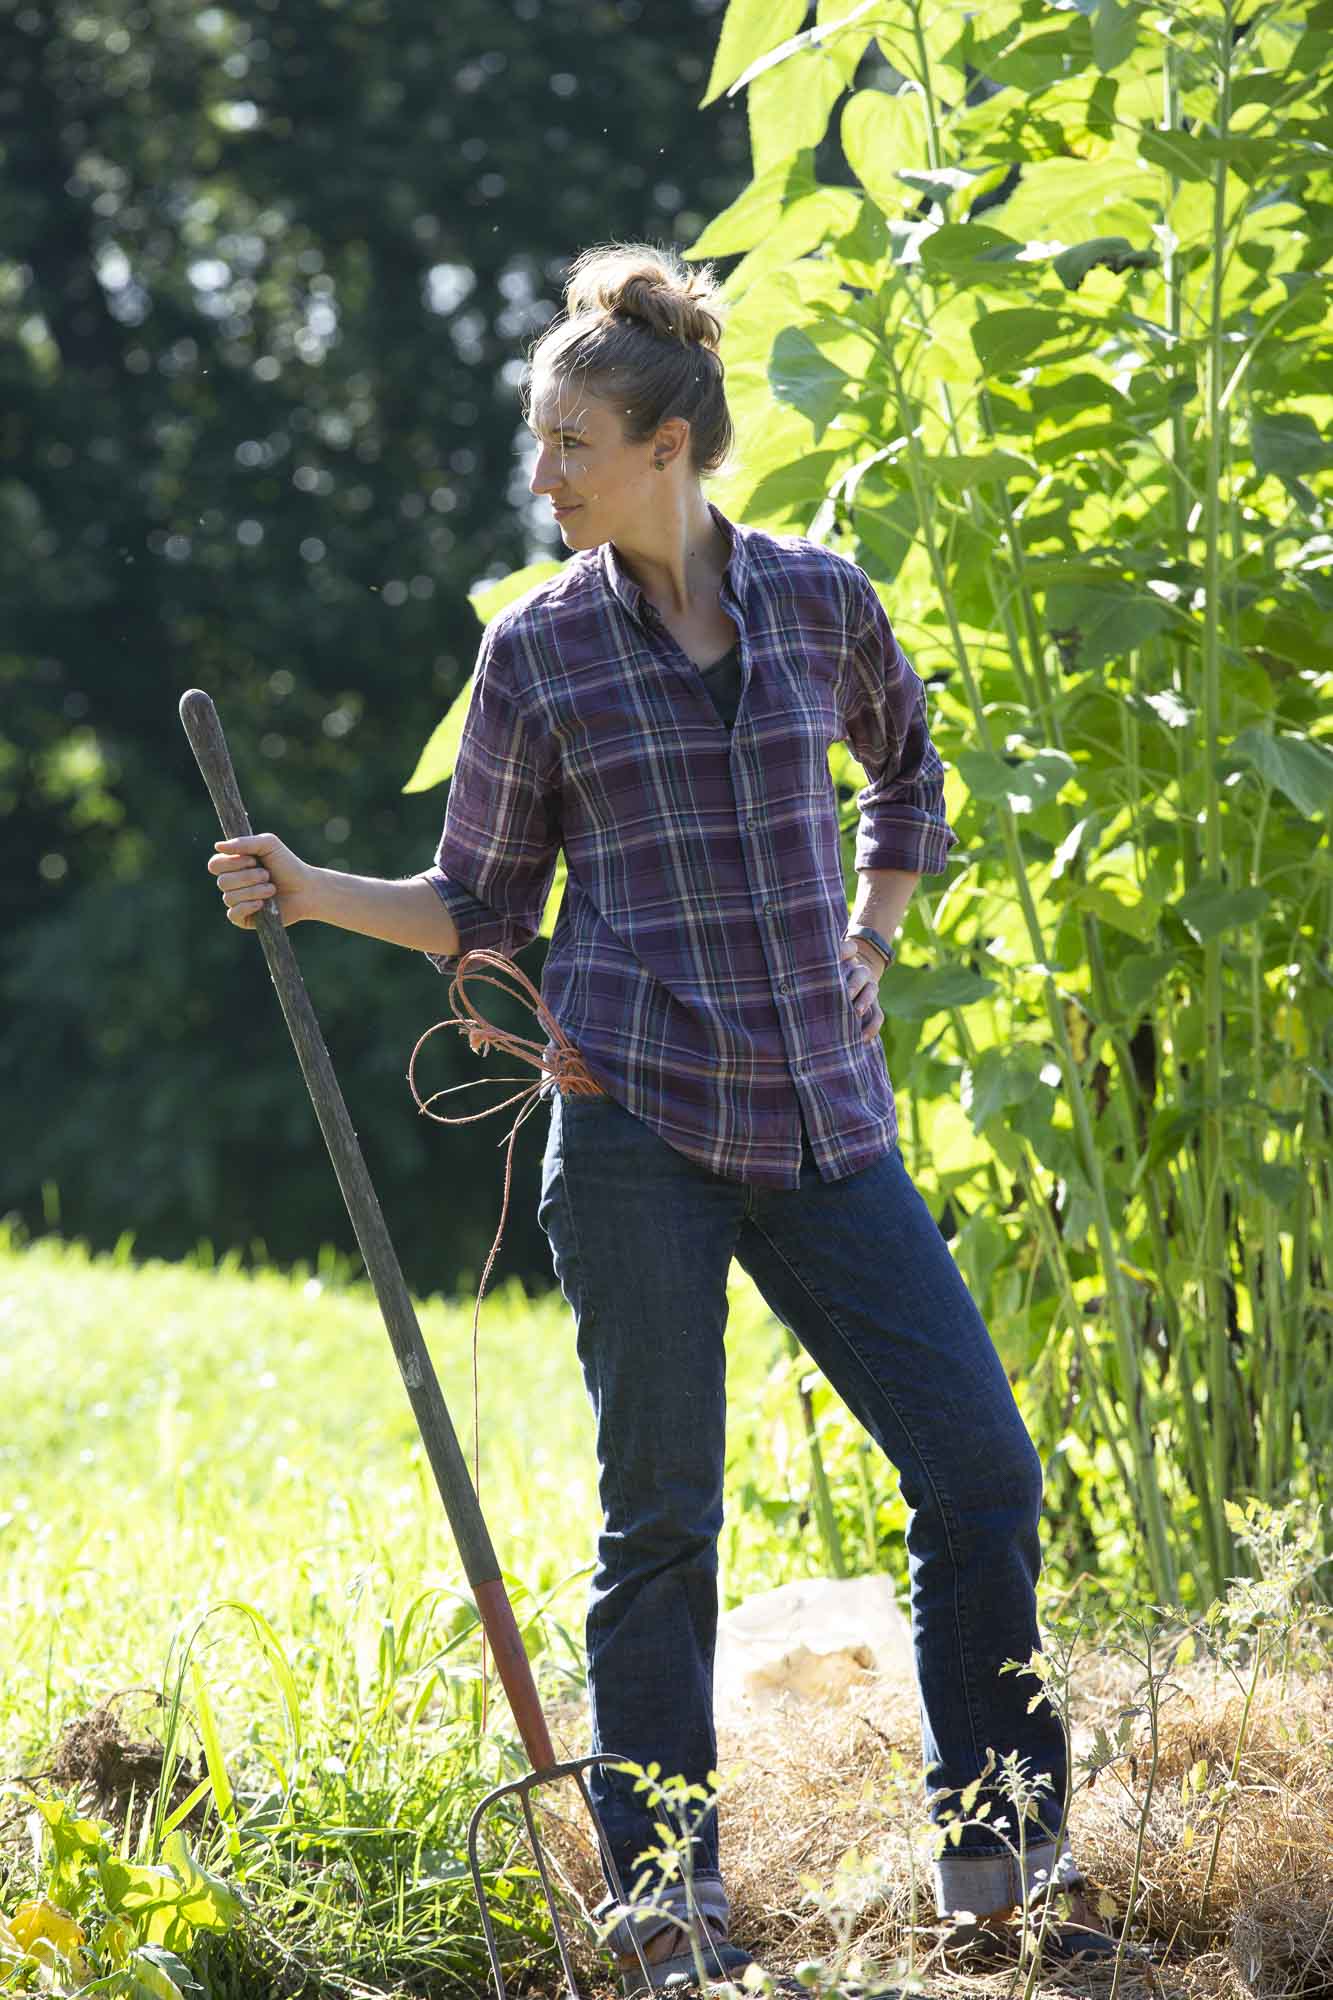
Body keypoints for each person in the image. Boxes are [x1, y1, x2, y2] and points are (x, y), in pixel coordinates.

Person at [207, 242, 1119, 1991]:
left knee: (978, 1472)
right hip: (631, 1127)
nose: (539, 475)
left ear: (671, 445)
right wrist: (313, 888)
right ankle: (665, 1893)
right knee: (663, 1523)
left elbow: (908, 775)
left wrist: (873, 930)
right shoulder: (535, 652)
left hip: (827, 1119)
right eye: (537, 442)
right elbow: (481, 901)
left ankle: (998, 1853)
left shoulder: (821, 601)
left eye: (570, 444)